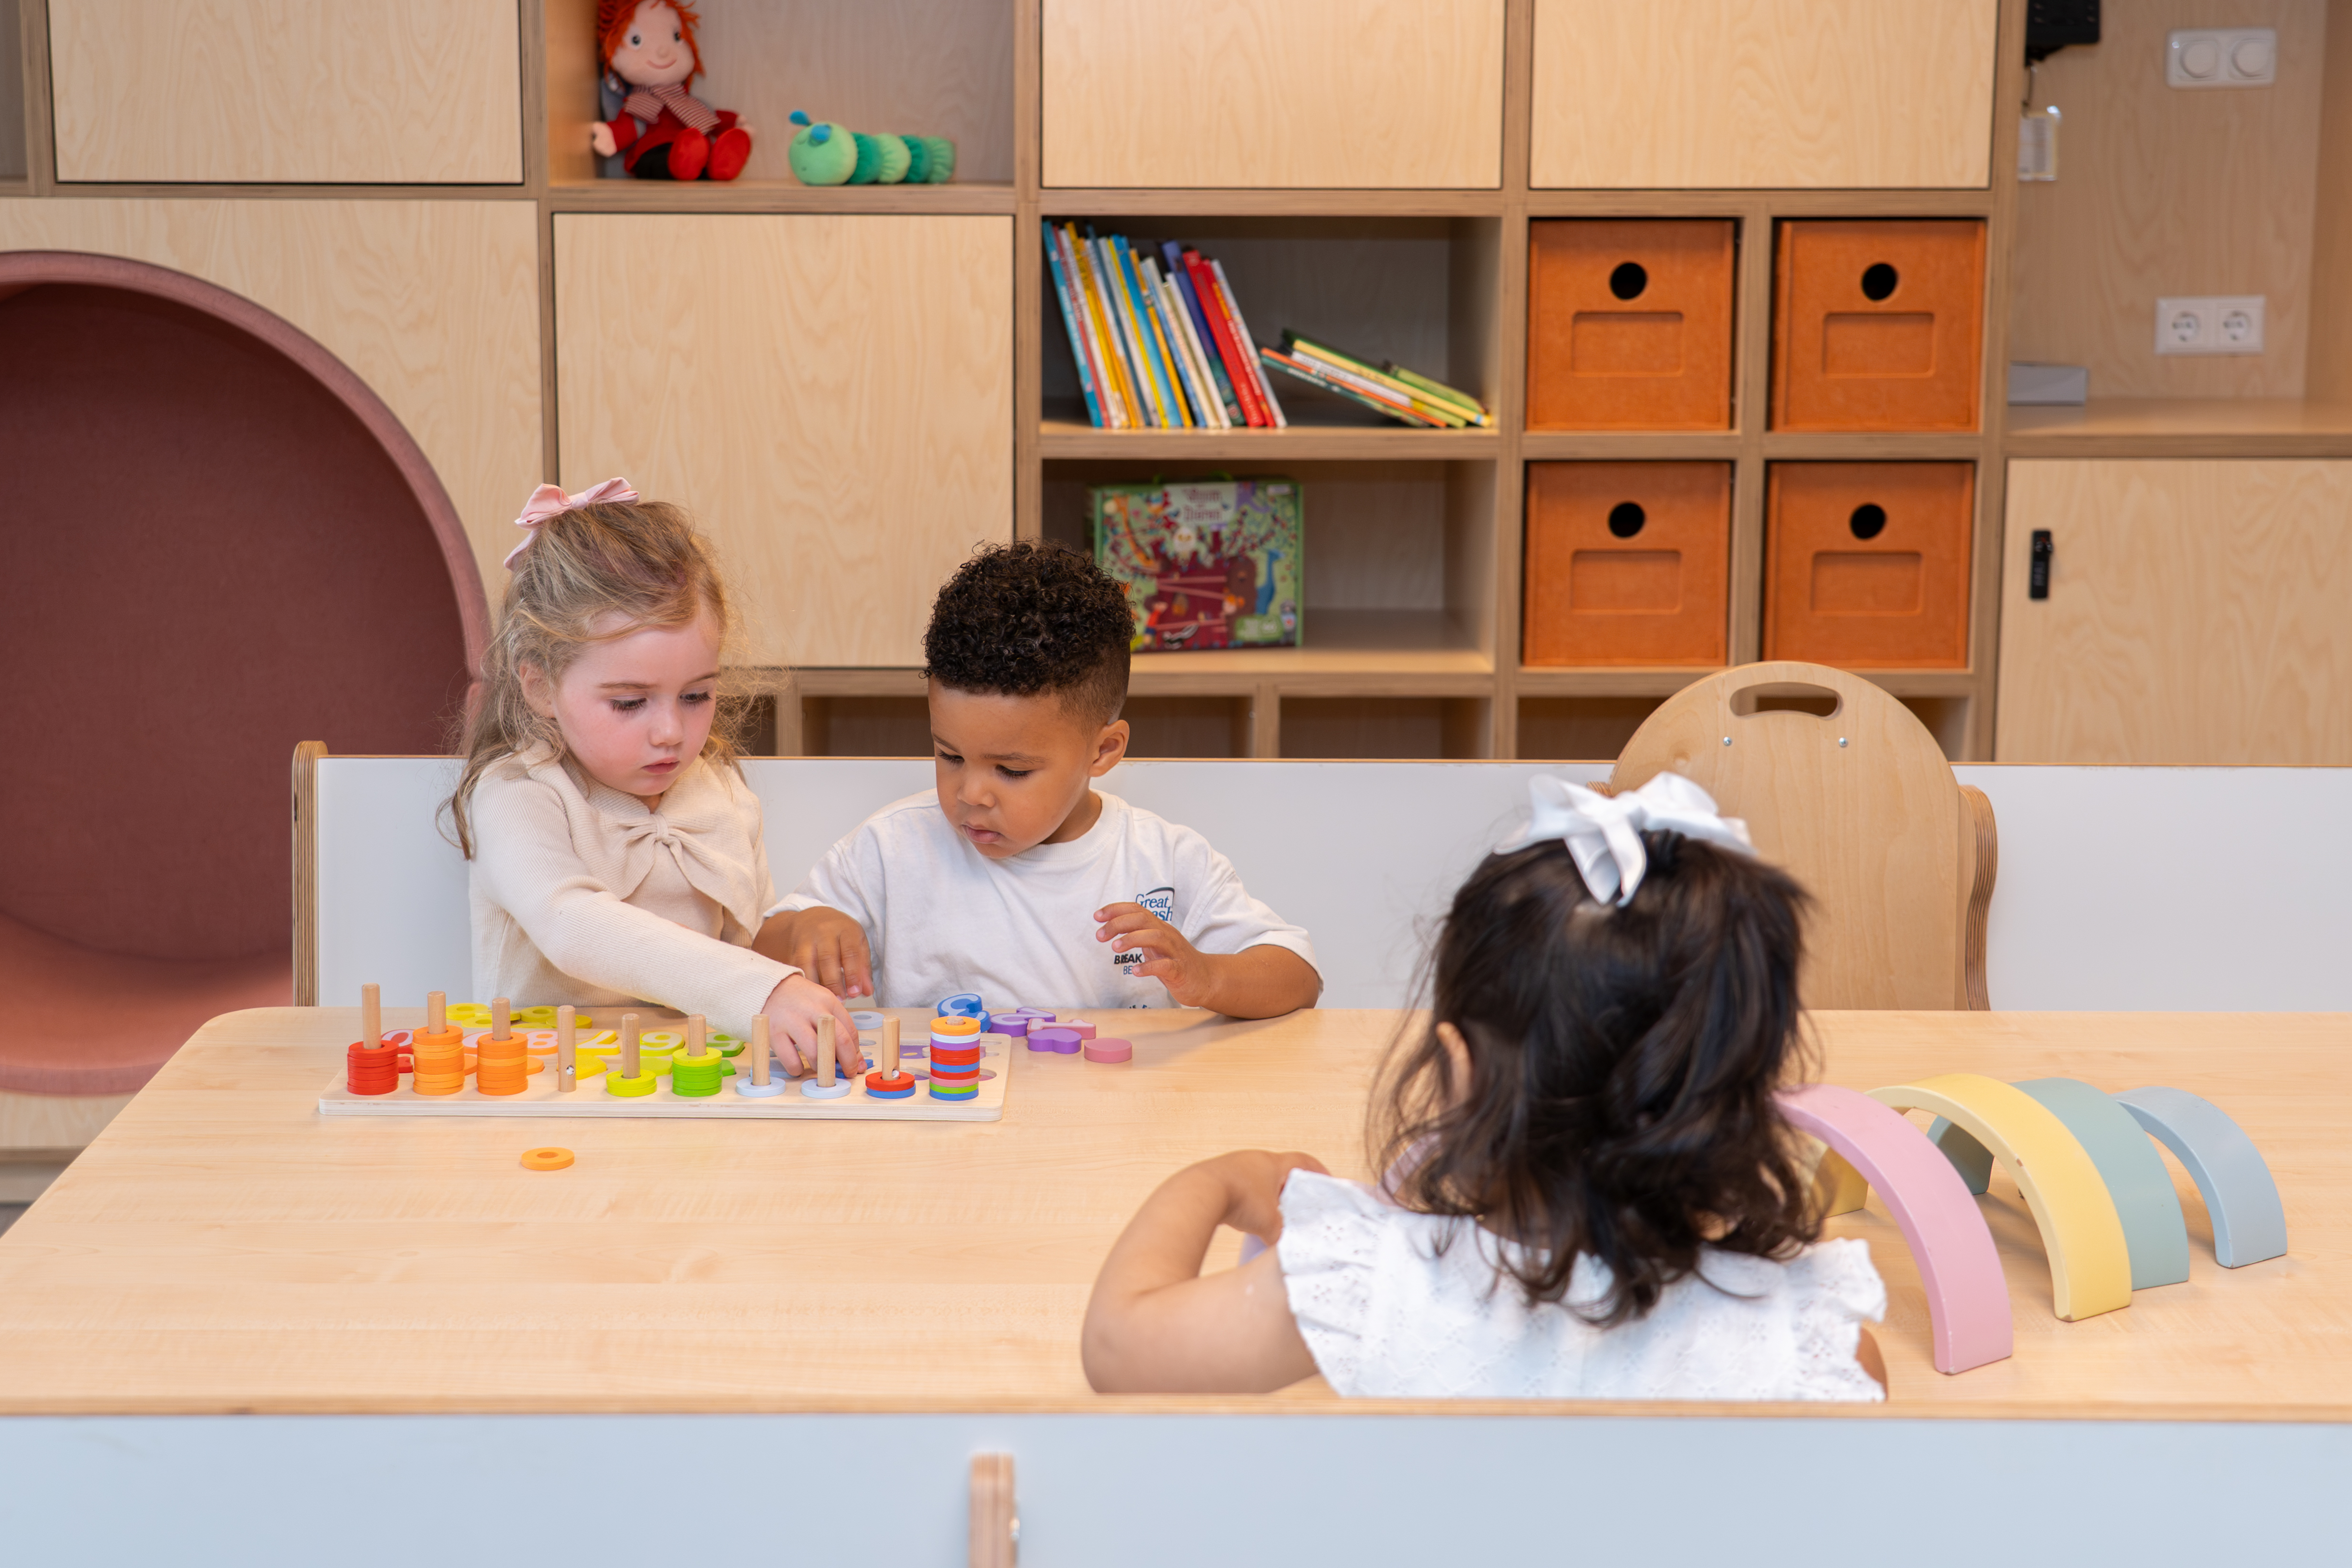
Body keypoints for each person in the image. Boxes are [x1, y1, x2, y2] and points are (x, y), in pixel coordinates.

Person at [1080, 773, 1889, 1399]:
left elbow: (1118, 1347)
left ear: (1461, 1069)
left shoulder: (1367, 1283)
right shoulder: (1819, 1340)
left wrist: (1224, 1178)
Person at [759, 541, 1321, 1017]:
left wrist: (1207, 976)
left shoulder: (1160, 861)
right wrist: (808, 926)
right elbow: (760, 949)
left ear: (1103, 750)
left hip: (1114, 1110)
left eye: (1012, 770)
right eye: (949, 755)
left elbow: (1297, 975)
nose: (970, 793)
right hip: (951, 1108)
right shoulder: (891, 849)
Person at [446, 480, 853, 1071]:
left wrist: (804, 931)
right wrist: (759, 990)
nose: (670, 731)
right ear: (539, 685)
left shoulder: (720, 792)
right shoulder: (518, 793)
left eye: (696, 695)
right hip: (547, 1089)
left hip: (695, 1085)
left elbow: (749, 951)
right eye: (630, 702)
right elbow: (571, 925)